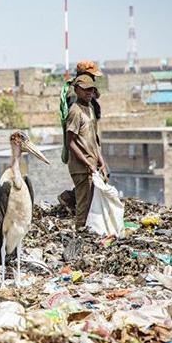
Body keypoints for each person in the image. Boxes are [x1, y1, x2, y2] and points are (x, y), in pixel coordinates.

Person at [66, 69, 109, 229]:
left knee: (93, 205)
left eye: (91, 89)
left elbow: (93, 141)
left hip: (92, 165)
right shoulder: (75, 111)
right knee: (84, 208)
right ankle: (79, 238)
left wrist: (101, 163)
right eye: (85, 89)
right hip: (80, 167)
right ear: (77, 90)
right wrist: (87, 164)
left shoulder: (90, 109)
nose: (89, 92)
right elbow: (70, 143)